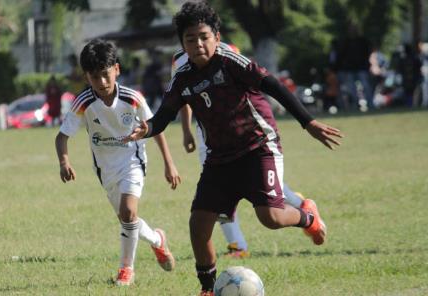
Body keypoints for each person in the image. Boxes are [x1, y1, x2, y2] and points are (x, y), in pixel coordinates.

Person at [124, 2, 343, 295]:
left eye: (204, 36)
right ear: (183, 44)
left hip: (258, 148)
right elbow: (164, 115)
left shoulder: (231, 61)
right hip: (219, 159)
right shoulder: (183, 76)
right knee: (198, 226)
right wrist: (147, 128)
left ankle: (309, 218)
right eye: (191, 39)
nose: (199, 44)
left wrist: (308, 122)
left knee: (271, 218)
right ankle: (207, 289)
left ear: (216, 36)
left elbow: (274, 86)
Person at [55, 39, 180, 286]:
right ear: (86, 76)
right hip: (105, 169)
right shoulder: (83, 103)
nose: (101, 82)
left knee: (128, 212)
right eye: (94, 77)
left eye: (105, 74)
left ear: (117, 70)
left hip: (133, 160)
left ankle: (126, 270)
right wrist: (64, 161)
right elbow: (61, 137)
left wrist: (169, 163)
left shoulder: (133, 98)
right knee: (128, 220)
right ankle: (157, 240)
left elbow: (155, 129)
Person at [173, 43, 314, 258]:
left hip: (243, 136)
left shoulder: (228, 52)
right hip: (209, 139)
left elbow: (251, 84)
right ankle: (237, 245)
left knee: (264, 191)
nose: (197, 41)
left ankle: (302, 207)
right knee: (218, 196)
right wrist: (186, 131)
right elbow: (182, 97)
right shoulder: (179, 61)